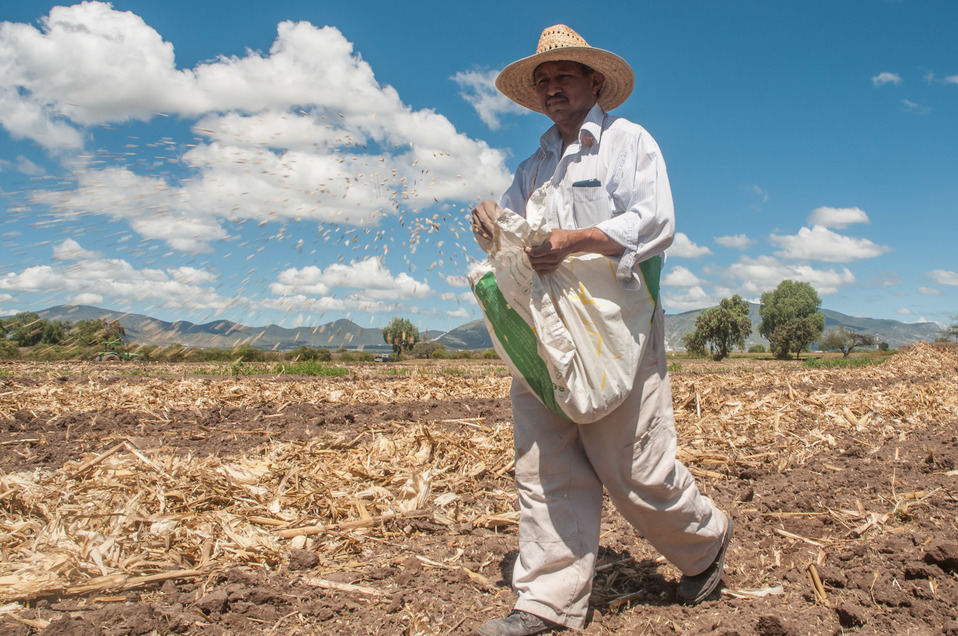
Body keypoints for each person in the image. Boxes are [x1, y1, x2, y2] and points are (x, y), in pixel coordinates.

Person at [471, 25, 733, 636]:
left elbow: (656, 220)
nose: (551, 87)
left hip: (616, 330)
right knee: (545, 461)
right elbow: (508, 235)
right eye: (543, 80)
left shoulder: (627, 144)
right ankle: (547, 605)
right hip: (547, 330)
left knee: (631, 465)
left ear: (595, 82)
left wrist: (574, 240)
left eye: (563, 75)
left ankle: (704, 544)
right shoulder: (533, 165)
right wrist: (489, 222)